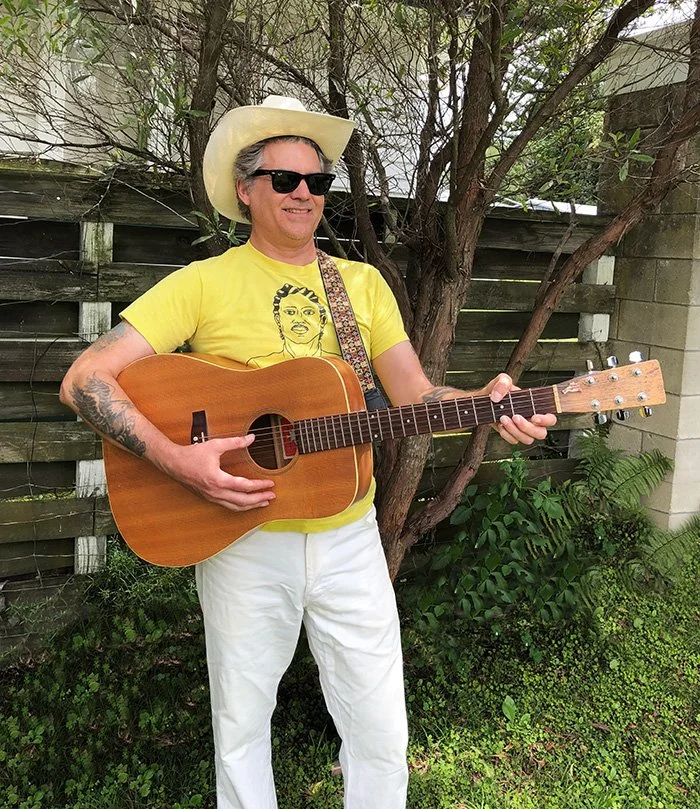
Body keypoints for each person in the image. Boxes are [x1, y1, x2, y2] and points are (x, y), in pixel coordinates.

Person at [60, 95, 557, 809]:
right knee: (240, 725)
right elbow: (85, 379)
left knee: (380, 727)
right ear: (246, 189)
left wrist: (487, 401)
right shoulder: (203, 283)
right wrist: (177, 460)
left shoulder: (361, 285)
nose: (304, 193)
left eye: (317, 181)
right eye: (286, 178)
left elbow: (414, 397)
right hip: (241, 537)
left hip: (349, 538)